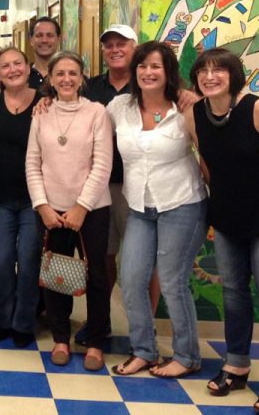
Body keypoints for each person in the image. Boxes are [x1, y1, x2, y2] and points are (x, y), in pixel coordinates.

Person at [184, 48, 259, 414]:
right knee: (234, 292)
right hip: (229, 216)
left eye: (219, 69)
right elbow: (208, 161)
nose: (210, 76)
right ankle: (236, 365)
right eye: (203, 70)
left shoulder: (258, 108)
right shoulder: (196, 115)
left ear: (234, 74)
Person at [106, 42, 207, 378]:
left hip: (182, 204)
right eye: (142, 66)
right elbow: (84, 122)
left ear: (168, 72)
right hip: (139, 206)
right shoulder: (120, 106)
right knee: (131, 279)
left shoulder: (186, 108)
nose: (148, 73)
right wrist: (47, 98)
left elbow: (207, 157)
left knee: (172, 281)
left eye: (155, 66)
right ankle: (145, 351)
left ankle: (187, 355)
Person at [26, 51, 113, 371]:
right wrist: (42, 206)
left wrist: (81, 207)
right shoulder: (41, 113)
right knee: (55, 276)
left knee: (98, 277)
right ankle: (61, 337)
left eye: (72, 73)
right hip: (51, 208)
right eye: (60, 74)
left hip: (91, 209)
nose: (66, 79)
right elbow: (32, 163)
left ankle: (96, 341)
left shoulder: (97, 113)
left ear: (82, 77)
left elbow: (103, 164)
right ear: (49, 78)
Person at [82, 24, 158, 344]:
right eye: (109, 44)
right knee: (102, 257)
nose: (114, 49)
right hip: (99, 184)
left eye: (121, 44)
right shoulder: (91, 87)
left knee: (144, 261)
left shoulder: (148, 85)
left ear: (134, 48)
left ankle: (146, 330)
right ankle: (100, 321)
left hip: (139, 186)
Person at [0, 46, 41, 347]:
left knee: (28, 262)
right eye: (5, 66)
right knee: (1, 261)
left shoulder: (45, 102)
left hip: (36, 199)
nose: (12, 70)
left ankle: (23, 323)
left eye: (17, 64)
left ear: (28, 68)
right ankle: (4, 318)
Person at [28, 16, 61, 89]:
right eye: (39, 36)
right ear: (31, 40)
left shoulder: (71, 76)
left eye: (50, 35)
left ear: (58, 39)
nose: (44, 40)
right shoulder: (22, 76)